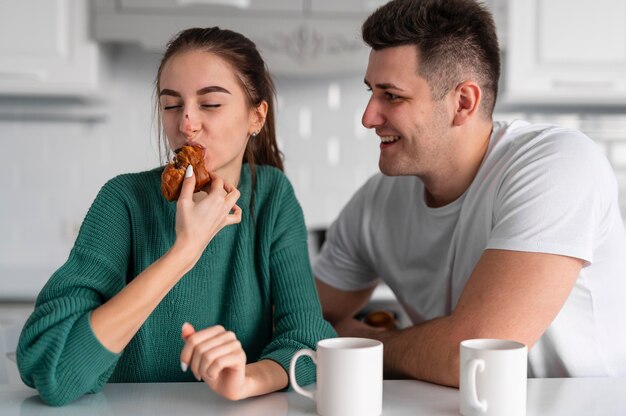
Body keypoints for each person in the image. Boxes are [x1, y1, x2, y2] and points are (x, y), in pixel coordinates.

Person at [17, 27, 335, 406]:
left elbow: (309, 344)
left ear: (256, 116)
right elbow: (49, 366)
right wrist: (184, 251)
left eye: (211, 104)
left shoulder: (273, 198)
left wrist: (248, 379)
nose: (186, 124)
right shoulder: (124, 201)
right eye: (171, 105)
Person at [314, 0, 626, 387]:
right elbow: (305, 316)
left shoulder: (558, 163)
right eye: (371, 92)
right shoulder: (379, 199)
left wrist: (363, 347)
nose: (368, 117)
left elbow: (474, 359)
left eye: (391, 95)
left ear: (463, 103)